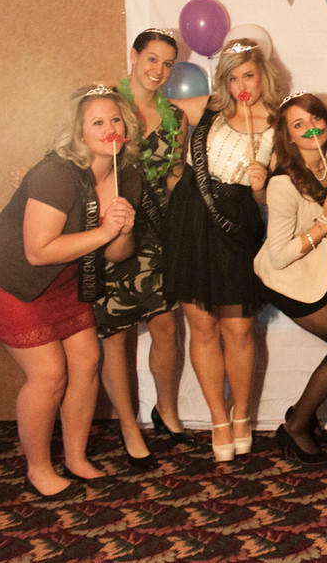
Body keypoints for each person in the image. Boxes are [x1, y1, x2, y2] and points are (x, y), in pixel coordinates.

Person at [0, 85, 139, 498]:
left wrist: (122, 228)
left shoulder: (126, 174)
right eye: (97, 122)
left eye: (115, 119)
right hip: (7, 277)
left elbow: (116, 253)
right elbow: (38, 251)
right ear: (78, 132)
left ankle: (76, 459)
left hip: (61, 279)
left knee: (87, 359)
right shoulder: (56, 173)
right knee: (48, 373)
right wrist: (104, 231)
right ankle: (38, 470)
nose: (109, 128)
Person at [164, 38, 281, 462]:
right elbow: (152, 103)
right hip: (192, 222)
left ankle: (242, 416)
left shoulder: (280, 122)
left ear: (261, 74)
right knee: (204, 329)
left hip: (238, 224)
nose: (240, 86)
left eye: (247, 75)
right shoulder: (206, 109)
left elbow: (279, 199)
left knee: (240, 330)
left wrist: (260, 186)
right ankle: (217, 418)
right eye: (231, 77)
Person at [254, 92, 327, 466]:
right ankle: (296, 426)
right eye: (298, 125)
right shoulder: (283, 184)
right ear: (287, 137)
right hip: (286, 280)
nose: (310, 129)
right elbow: (280, 254)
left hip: (319, 275)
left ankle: (298, 416)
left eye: (315, 118)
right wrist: (326, 223)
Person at [94, 28, 192, 471]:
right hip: (111, 227)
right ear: (133, 56)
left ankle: (166, 412)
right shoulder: (107, 109)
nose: (158, 70)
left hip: (156, 232)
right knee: (116, 336)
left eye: (167, 63)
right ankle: (128, 427)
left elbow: (173, 174)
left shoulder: (175, 115)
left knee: (166, 327)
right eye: (151, 59)